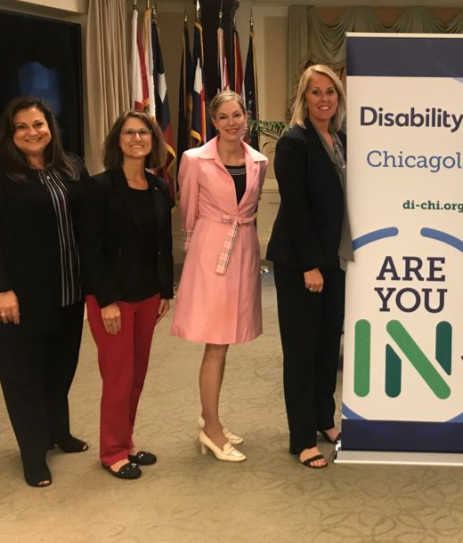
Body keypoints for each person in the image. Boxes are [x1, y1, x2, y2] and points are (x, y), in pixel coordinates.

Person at [0, 96, 89, 487]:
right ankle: (32, 454)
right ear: (10, 134)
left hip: (67, 293)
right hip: (17, 300)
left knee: (60, 369)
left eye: (38, 124)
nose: (32, 132)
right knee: (24, 378)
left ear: (50, 126)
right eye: (22, 127)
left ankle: (58, 432)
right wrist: (0, 289)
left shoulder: (70, 166)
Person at [171, 90, 268, 462]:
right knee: (214, 343)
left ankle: (210, 416)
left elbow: (253, 206)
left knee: (224, 341)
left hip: (243, 250)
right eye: (224, 117)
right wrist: (196, 256)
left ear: (246, 116)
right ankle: (210, 428)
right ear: (213, 122)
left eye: (238, 115)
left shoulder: (258, 161)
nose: (232, 122)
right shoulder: (194, 159)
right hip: (211, 253)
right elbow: (188, 212)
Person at [79, 111, 174, 480]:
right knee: (117, 378)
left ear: (153, 140)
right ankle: (113, 451)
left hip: (149, 295)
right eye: (129, 132)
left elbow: (162, 245)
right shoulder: (99, 187)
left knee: (137, 376)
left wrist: (165, 290)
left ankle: (127, 441)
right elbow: (91, 249)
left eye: (144, 132)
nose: (137, 138)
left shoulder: (159, 187)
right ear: (118, 141)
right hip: (112, 300)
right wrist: (106, 301)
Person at [266, 64, 351, 470]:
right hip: (302, 263)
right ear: (304, 98)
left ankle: (323, 419)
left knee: (325, 347)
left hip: (335, 260)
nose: (324, 99)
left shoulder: (340, 139)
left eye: (330, 92)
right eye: (315, 92)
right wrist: (312, 266)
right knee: (300, 351)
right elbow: (296, 210)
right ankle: (301, 437)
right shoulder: (294, 142)